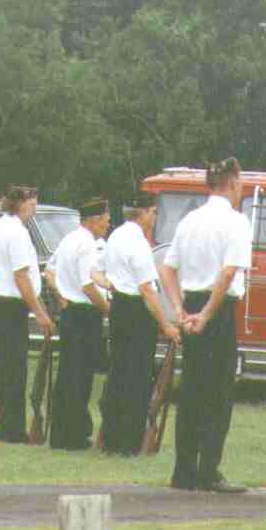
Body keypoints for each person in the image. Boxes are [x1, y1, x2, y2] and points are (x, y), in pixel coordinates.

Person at [159, 158, 252, 493]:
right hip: (218, 309)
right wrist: (209, 314)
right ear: (232, 183)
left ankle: (183, 471)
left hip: (192, 304)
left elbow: (167, 269)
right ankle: (208, 470)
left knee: (191, 391)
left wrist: (179, 310)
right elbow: (228, 273)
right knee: (219, 393)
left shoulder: (189, 220)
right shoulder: (237, 222)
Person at [94, 192, 181, 456]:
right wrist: (165, 324)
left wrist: (112, 285)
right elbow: (147, 289)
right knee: (138, 376)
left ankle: (110, 438)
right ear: (142, 213)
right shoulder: (138, 243)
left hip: (119, 307)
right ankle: (129, 441)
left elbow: (94, 271)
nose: (155, 217)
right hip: (136, 312)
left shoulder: (116, 236)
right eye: (153, 212)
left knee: (118, 372)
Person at [0, 185, 55, 443]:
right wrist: (40, 313)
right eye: (31, 201)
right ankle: (11, 428)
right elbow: (21, 276)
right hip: (12, 306)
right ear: (20, 204)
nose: (35, 206)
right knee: (14, 369)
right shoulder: (16, 232)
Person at [48, 198, 111, 451]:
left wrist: (61, 295)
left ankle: (61, 432)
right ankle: (73, 435)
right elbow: (88, 286)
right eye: (106, 220)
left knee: (68, 374)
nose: (107, 224)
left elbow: (51, 272)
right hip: (84, 314)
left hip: (70, 313)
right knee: (80, 376)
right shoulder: (86, 244)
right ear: (94, 220)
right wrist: (107, 310)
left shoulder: (68, 239)